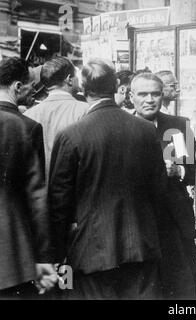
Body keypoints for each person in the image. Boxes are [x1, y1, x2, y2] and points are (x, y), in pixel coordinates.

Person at [49, 59, 167, 299]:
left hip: (91, 252)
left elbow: (59, 204)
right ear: (116, 86)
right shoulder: (145, 130)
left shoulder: (71, 136)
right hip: (141, 247)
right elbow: (159, 189)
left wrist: (56, 255)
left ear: (82, 89)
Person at [130, 72, 196, 299]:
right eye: (143, 94)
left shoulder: (178, 127)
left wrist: (177, 170)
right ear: (131, 97)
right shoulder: (123, 127)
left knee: (184, 285)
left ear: (162, 96)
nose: (149, 99)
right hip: (137, 223)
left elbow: (194, 169)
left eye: (155, 94)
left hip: (173, 224)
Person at [0, 57, 57, 298]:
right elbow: (36, 196)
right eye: (31, 86)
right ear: (17, 87)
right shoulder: (21, 126)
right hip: (12, 256)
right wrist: (43, 257)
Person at [24, 57, 88, 178]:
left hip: (38, 191)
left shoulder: (29, 114)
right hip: (71, 191)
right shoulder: (85, 111)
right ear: (69, 79)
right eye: (76, 76)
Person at [0, 57, 45, 174]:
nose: (34, 91)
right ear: (18, 87)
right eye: (33, 85)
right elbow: (36, 185)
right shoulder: (31, 128)